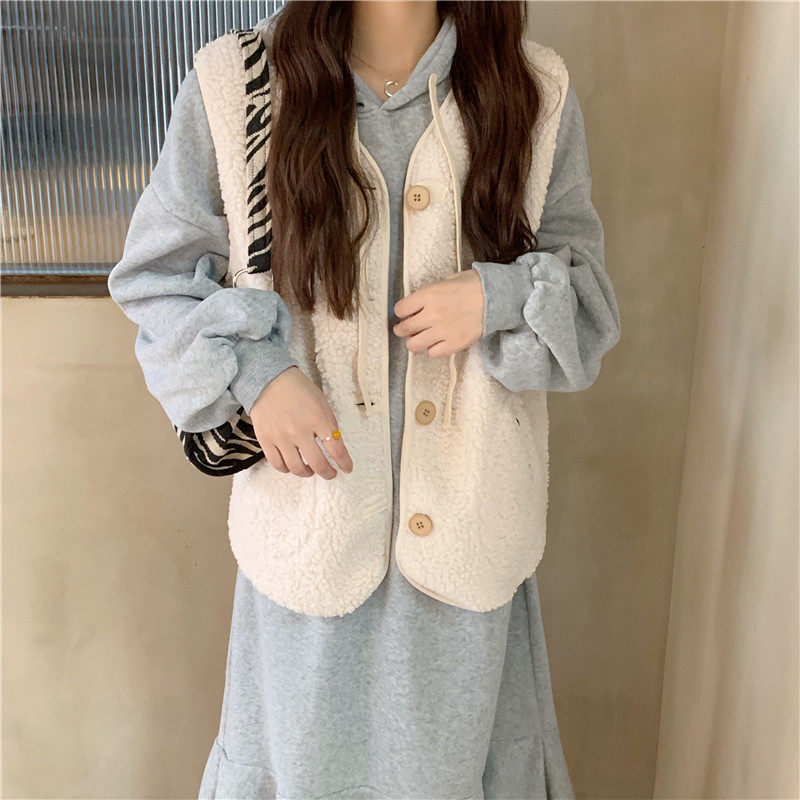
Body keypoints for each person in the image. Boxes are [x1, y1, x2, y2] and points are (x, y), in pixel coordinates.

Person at [108, 1, 621, 797]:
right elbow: (158, 277)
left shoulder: (533, 90)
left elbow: (586, 305)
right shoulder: (238, 85)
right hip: (310, 541)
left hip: (470, 553)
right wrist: (259, 376)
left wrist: (499, 297)